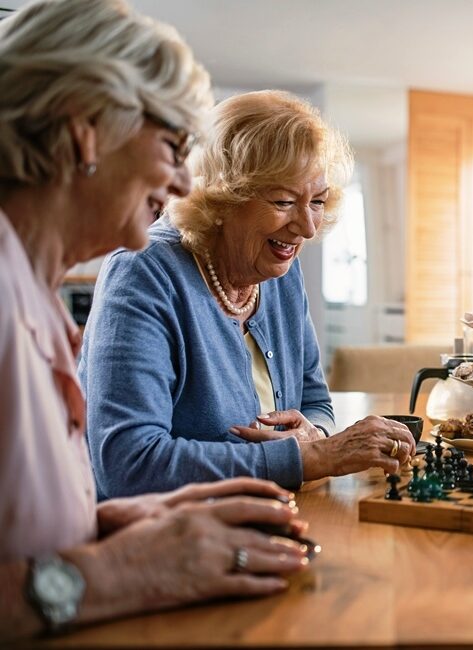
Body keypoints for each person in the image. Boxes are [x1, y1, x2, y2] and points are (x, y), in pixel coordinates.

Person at [0, 0, 311, 639]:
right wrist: (114, 574)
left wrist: (114, 523)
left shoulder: (30, 289)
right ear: (85, 128)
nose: (180, 184)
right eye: (172, 144)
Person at [80, 89, 415, 499]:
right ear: (220, 199)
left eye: (318, 202)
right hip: (161, 540)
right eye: (284, 200)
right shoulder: (143, 272)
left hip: (270, 516)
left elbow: (314, 401)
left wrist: (317, 433)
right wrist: (312, 458)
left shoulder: (280, 275)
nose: (308, 227)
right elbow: (128, 464)